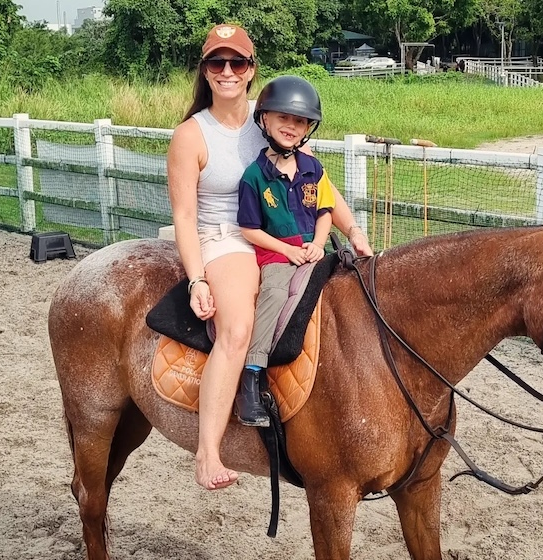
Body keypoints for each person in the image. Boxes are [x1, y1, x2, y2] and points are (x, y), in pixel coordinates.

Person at [166, 23, 372, 491]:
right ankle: (209, 452)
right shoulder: (191, 136)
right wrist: (198, 278)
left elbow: (320, 187)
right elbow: (183, 216)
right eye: (217, 63)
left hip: (289, 236)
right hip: (226, 238)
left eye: (237, 62)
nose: (227, 72)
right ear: (205, 71)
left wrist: (353, 229)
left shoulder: (275, 122)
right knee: (238, 327)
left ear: (251, 70)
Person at [235, 76, 333, 427]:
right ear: (264, 120)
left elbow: (325, 212)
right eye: (283, 118)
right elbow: (249, 228)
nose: (291, 127)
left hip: (313, 249)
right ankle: (252, 373)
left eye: (300, 121)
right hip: (277, 254)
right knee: (274, 294)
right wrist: (286, 251)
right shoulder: (254, 177)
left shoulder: (314, 169)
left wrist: (319, 244)